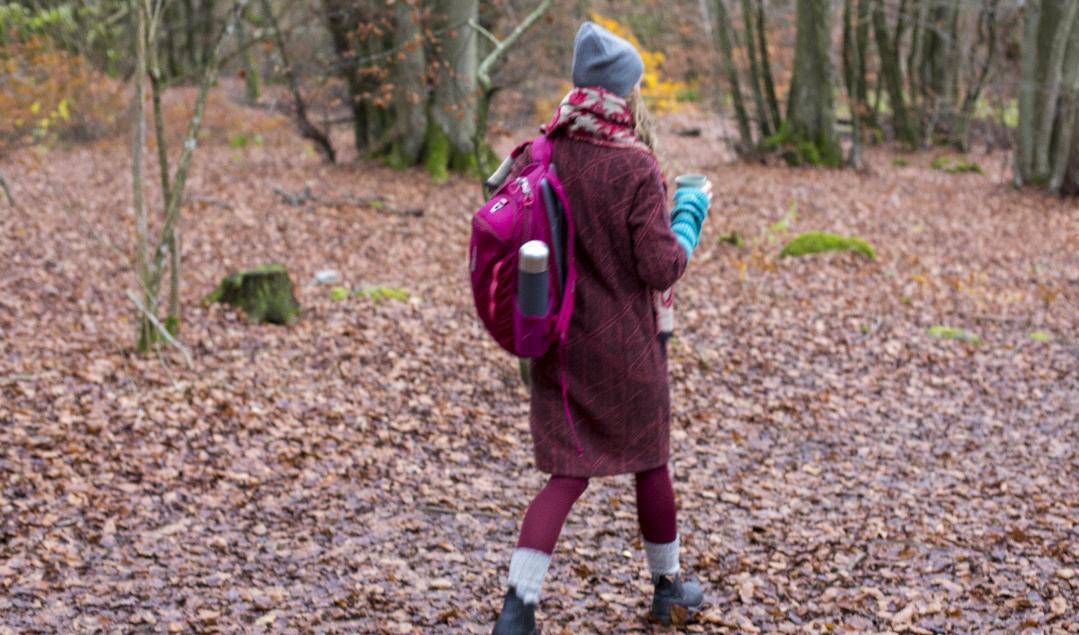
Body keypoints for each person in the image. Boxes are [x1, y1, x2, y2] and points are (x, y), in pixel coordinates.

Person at [491, 21, 713, 634]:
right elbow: (661, 264)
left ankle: (518, 609)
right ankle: (668, 590)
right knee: (651, 463)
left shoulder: (545, 152)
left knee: (568, 473)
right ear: (625, 93)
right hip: (627, 346)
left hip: (559, 341)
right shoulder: (635, 165)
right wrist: (690, 218)